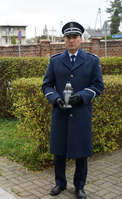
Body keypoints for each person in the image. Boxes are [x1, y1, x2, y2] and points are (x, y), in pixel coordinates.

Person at [42, 22, 104, 199]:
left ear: (81, 39)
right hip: (60, 112)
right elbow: (47, 85)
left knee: (81, 152)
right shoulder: (55, 61)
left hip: (81, 113)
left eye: (75, 37)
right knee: (59, 151)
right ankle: (60, 183)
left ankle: (79, 186)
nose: (71, 40)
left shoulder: (92, 60)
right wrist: (55, 99)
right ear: (64, 40)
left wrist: (82, 96)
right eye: (68, 37)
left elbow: (98, 85)